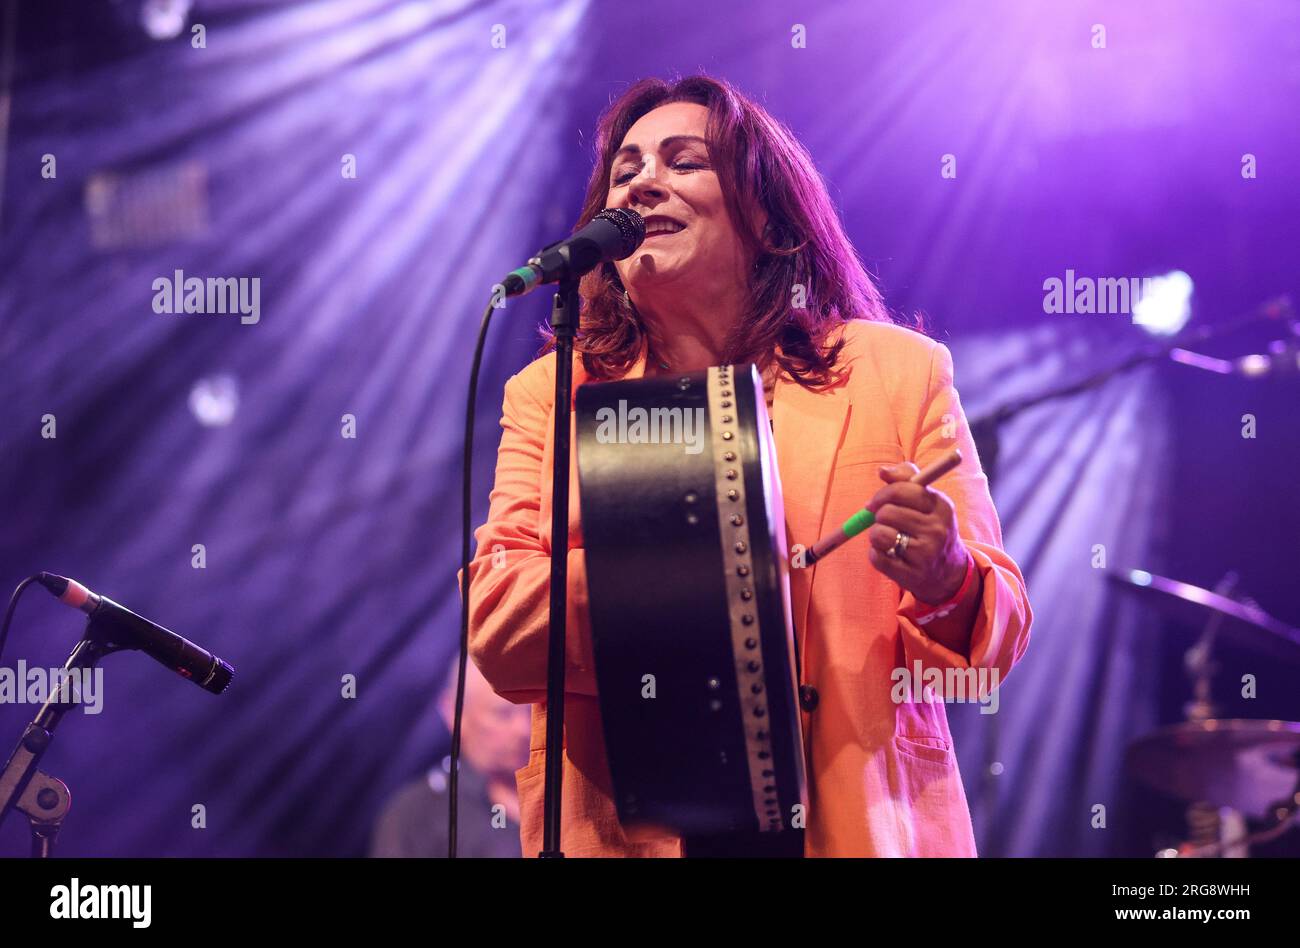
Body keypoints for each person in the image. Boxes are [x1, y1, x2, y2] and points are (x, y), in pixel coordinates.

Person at [465, 75, 1032, 857]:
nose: (643, 183)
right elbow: (497, 629)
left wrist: (947, 576)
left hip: (854, 827)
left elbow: (996, 640)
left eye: (682, 161)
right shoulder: (551, 396)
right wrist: (689, 571)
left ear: (766, 214)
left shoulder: (895, 373)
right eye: (625, 170)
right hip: (629, 836)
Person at [369, 660, 528, 858]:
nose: (523, 729)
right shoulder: (416, 815)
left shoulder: (568, 796)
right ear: (456, 714)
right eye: (503, 714)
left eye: (532, 713)